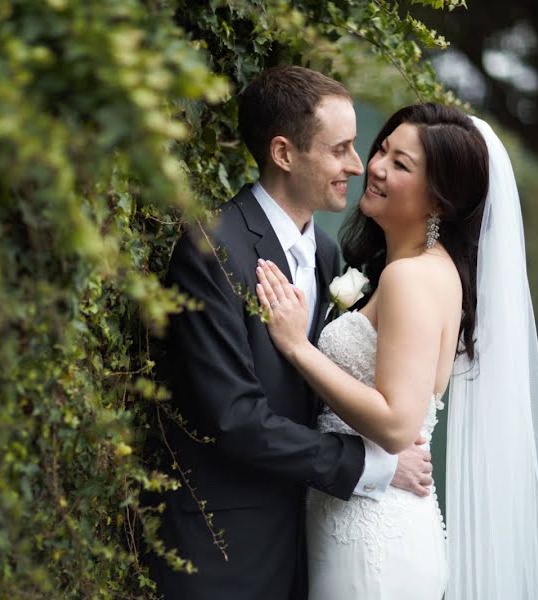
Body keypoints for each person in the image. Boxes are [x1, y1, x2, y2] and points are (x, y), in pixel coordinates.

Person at [146, 67, 435, 600]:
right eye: (340, 148)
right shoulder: (213, 249)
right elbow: (234, 417)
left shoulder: (328, 256)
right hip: (227, 553)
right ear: (284, 153)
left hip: (312, 545)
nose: (357, 164)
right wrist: (374, 465)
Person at [255, 103, 538, 599]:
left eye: (401, 164)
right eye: (383, 151)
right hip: (362, 518)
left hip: (372, 539)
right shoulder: (414, 269)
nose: (375, 167)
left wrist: (295, 346)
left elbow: (398, 424)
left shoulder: (411, 278)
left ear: (439, 201)